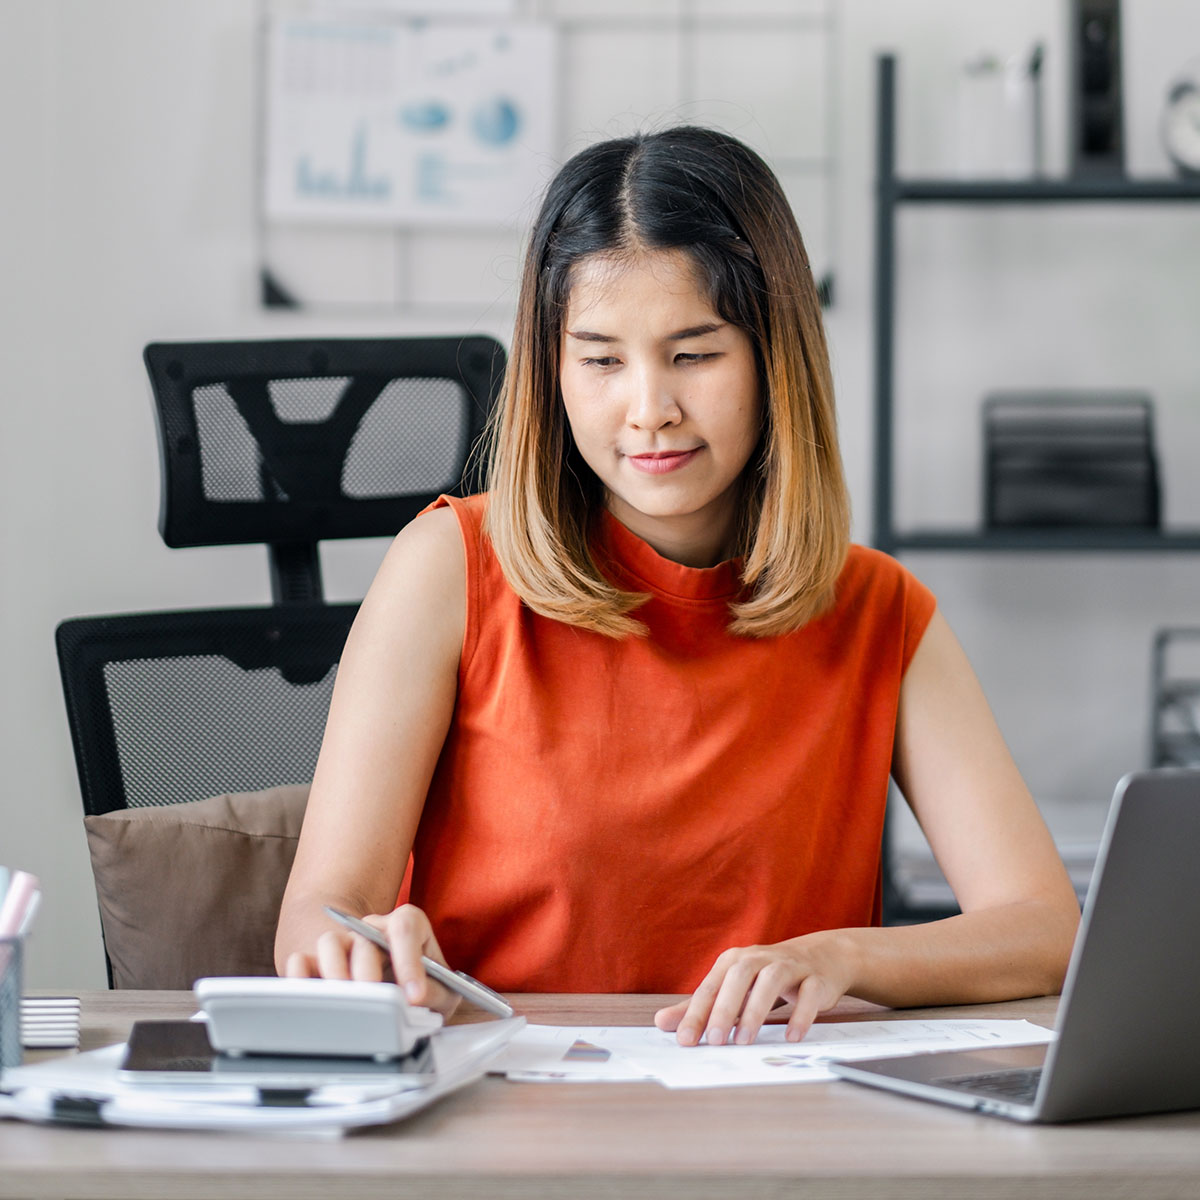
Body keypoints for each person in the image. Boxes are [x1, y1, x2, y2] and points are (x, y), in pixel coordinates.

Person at [275, 126, 1080, 1047]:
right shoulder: (449, 567)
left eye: (694, 354)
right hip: (505, 1116)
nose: (649, 406)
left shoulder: (876, 610)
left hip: (770, 1133)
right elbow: (317, 914)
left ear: (775, 359)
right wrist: (359, 954)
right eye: (602, 359)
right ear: (554, 369)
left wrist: (843, 959)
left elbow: (1046, 929)